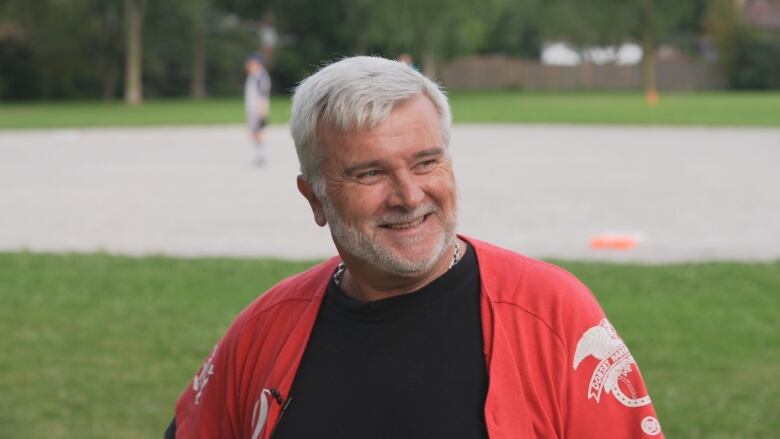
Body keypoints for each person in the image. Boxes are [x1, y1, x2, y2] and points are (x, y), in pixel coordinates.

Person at [166, 56, 664, 438]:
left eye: (426, 163)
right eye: (370, 172)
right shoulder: (263, 331)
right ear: (315, 197)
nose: (409, 196)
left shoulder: (553, 316)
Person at [244, 53, 272, 165]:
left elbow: (262, 96)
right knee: (254, 132)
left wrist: (262, 112)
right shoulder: (254, 75)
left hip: (257, 110)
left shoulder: (260, 77)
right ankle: (259, 154)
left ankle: (262, 155)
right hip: (252, 110)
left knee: (258, 133)